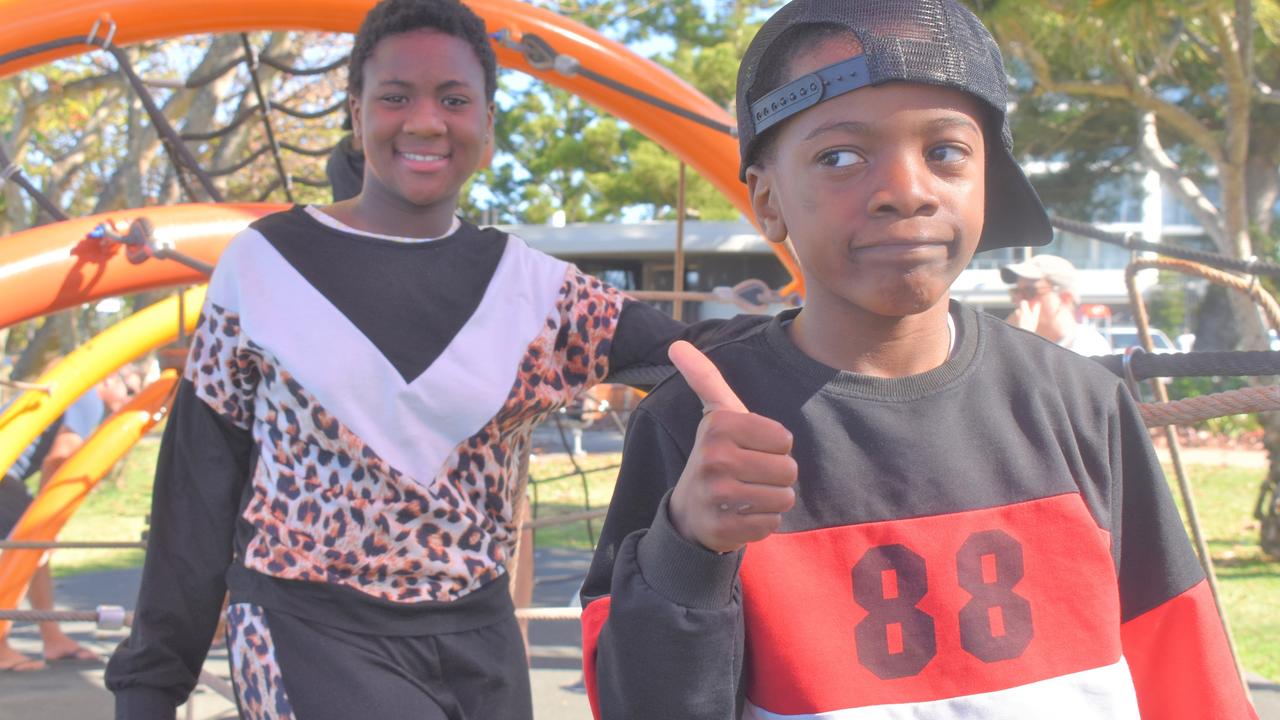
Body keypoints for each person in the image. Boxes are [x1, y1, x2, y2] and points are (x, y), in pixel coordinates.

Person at [579, 1, 1256, 718]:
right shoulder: (698, 432)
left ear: (987, 182)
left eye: (945, 152)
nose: (906, 191)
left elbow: (1183, 671)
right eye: (840, 157)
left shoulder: (1081, 405)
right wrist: (689, 547)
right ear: (769, 201)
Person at [104, 1, 722, 718]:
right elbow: (196, 483)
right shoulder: (266, 264)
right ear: (356, 110)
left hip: (478, 636)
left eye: (454, 99)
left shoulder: (537, 292)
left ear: (487, 124)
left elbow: (699, 359)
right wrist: (151, 685)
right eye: (396, 95)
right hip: (308, 625)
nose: (425, 121)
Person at [0, 373, 133, 672]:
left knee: (31, 555)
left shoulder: (65, 388)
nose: (128, 399)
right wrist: (48, 520)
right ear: (110, 380)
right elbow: (59, 457)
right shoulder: (86, 395)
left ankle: (52, 637)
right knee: (27, 547)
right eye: (129, 389)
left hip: (6, 472)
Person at [1001, 253, 1112, 355]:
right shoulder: (1039, 345)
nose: (1019, 300)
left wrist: (1021, 340)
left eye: (1030, 292)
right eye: (1016, 292)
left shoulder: (1088, 345)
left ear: (1065, 298)